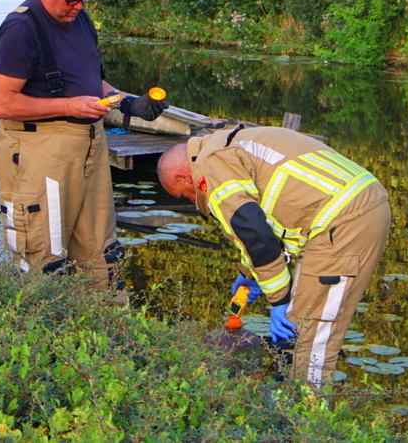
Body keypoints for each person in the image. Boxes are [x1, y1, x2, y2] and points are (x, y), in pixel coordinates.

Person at [0, 0, 167, 303]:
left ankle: (105, 336)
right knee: (43, 253)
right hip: (40, 149)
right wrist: (69, 105)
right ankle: (43, 338)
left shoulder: (80, 19)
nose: (78, 8)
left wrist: (128, 103)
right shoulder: (21, 28)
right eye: (71, 0)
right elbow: (2, 104)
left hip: (89, 143)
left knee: (101, 249)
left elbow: (92, 83)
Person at [157, 126, 391, 385]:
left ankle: (307, 417)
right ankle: (287, 400)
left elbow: (254, 234)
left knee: (308, 334)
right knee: (297, 327)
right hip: (347, 211)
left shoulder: (211, 167)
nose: (193, 201)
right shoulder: (224, 145)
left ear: (184, 178)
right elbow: (259, 221)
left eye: (184, 195)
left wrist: (279, 301)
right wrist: (249, 274)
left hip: (344, 221)